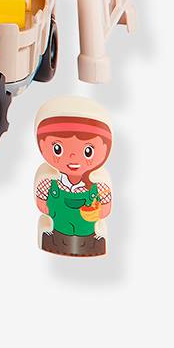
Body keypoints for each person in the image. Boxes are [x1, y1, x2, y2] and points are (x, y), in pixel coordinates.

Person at [33, 97, 113, 257]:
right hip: (57, 234)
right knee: (54, 241)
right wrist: (43, 204)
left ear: (105, 149)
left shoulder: (99, 184)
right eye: (58, 149)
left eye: (88, 151)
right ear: (42, 145)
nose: (73, 158)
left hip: (89, 237)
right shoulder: (49, 181)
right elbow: (41, 201)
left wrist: (100, 210)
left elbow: (105, 207)